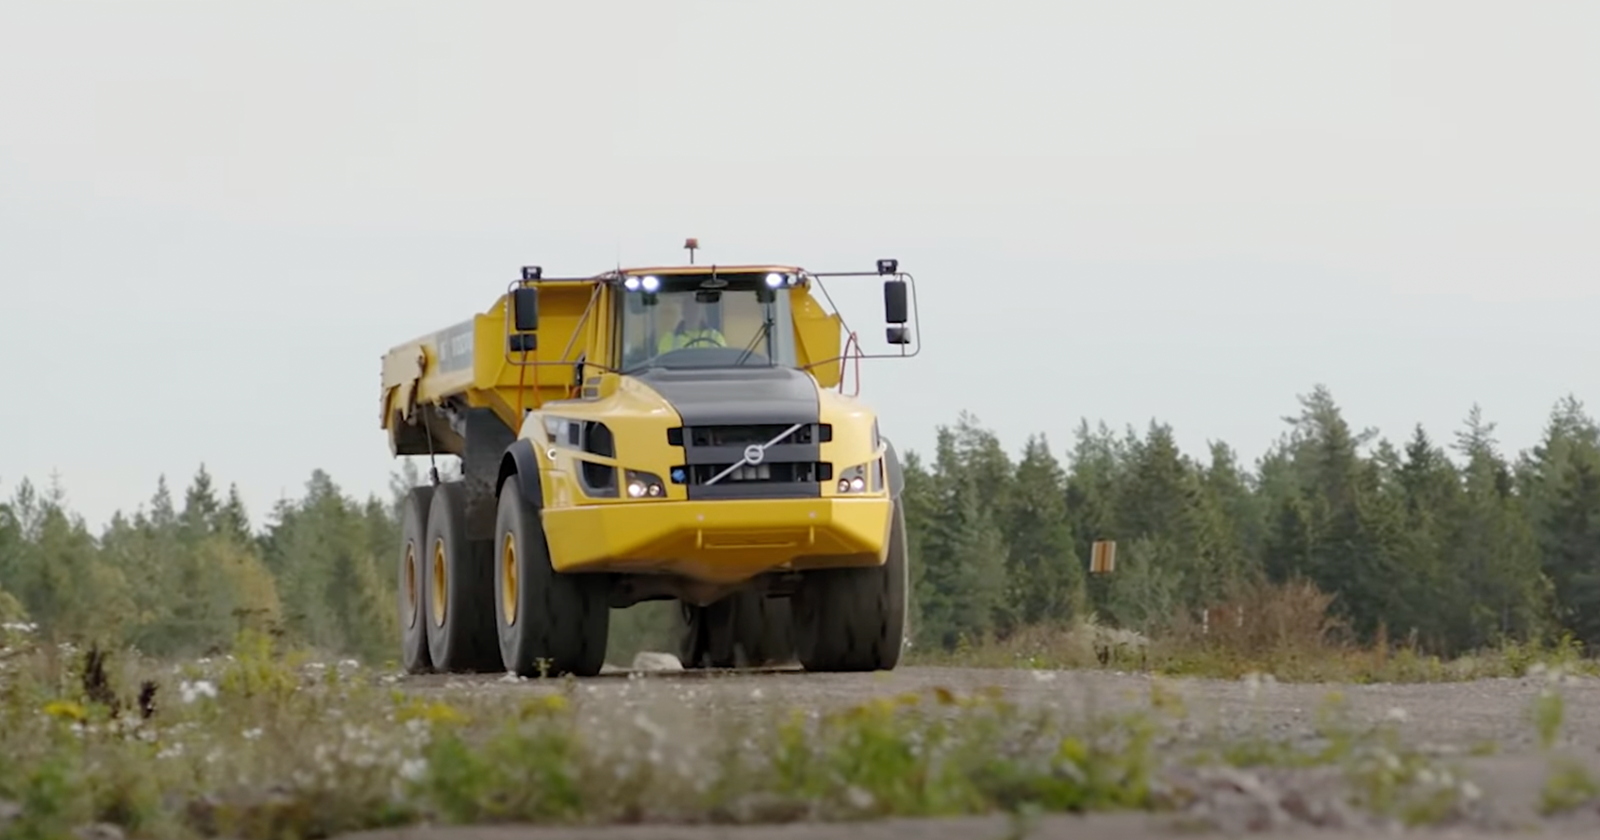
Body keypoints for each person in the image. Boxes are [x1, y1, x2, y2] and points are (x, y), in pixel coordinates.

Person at [657, 295, 727, 353]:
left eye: (696, 309)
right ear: (683, 312)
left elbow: (724, 361)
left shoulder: (716, 338)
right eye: (689, 309)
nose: (693, 312)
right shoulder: (668, 339)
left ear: (701, 311)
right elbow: (661, 364)